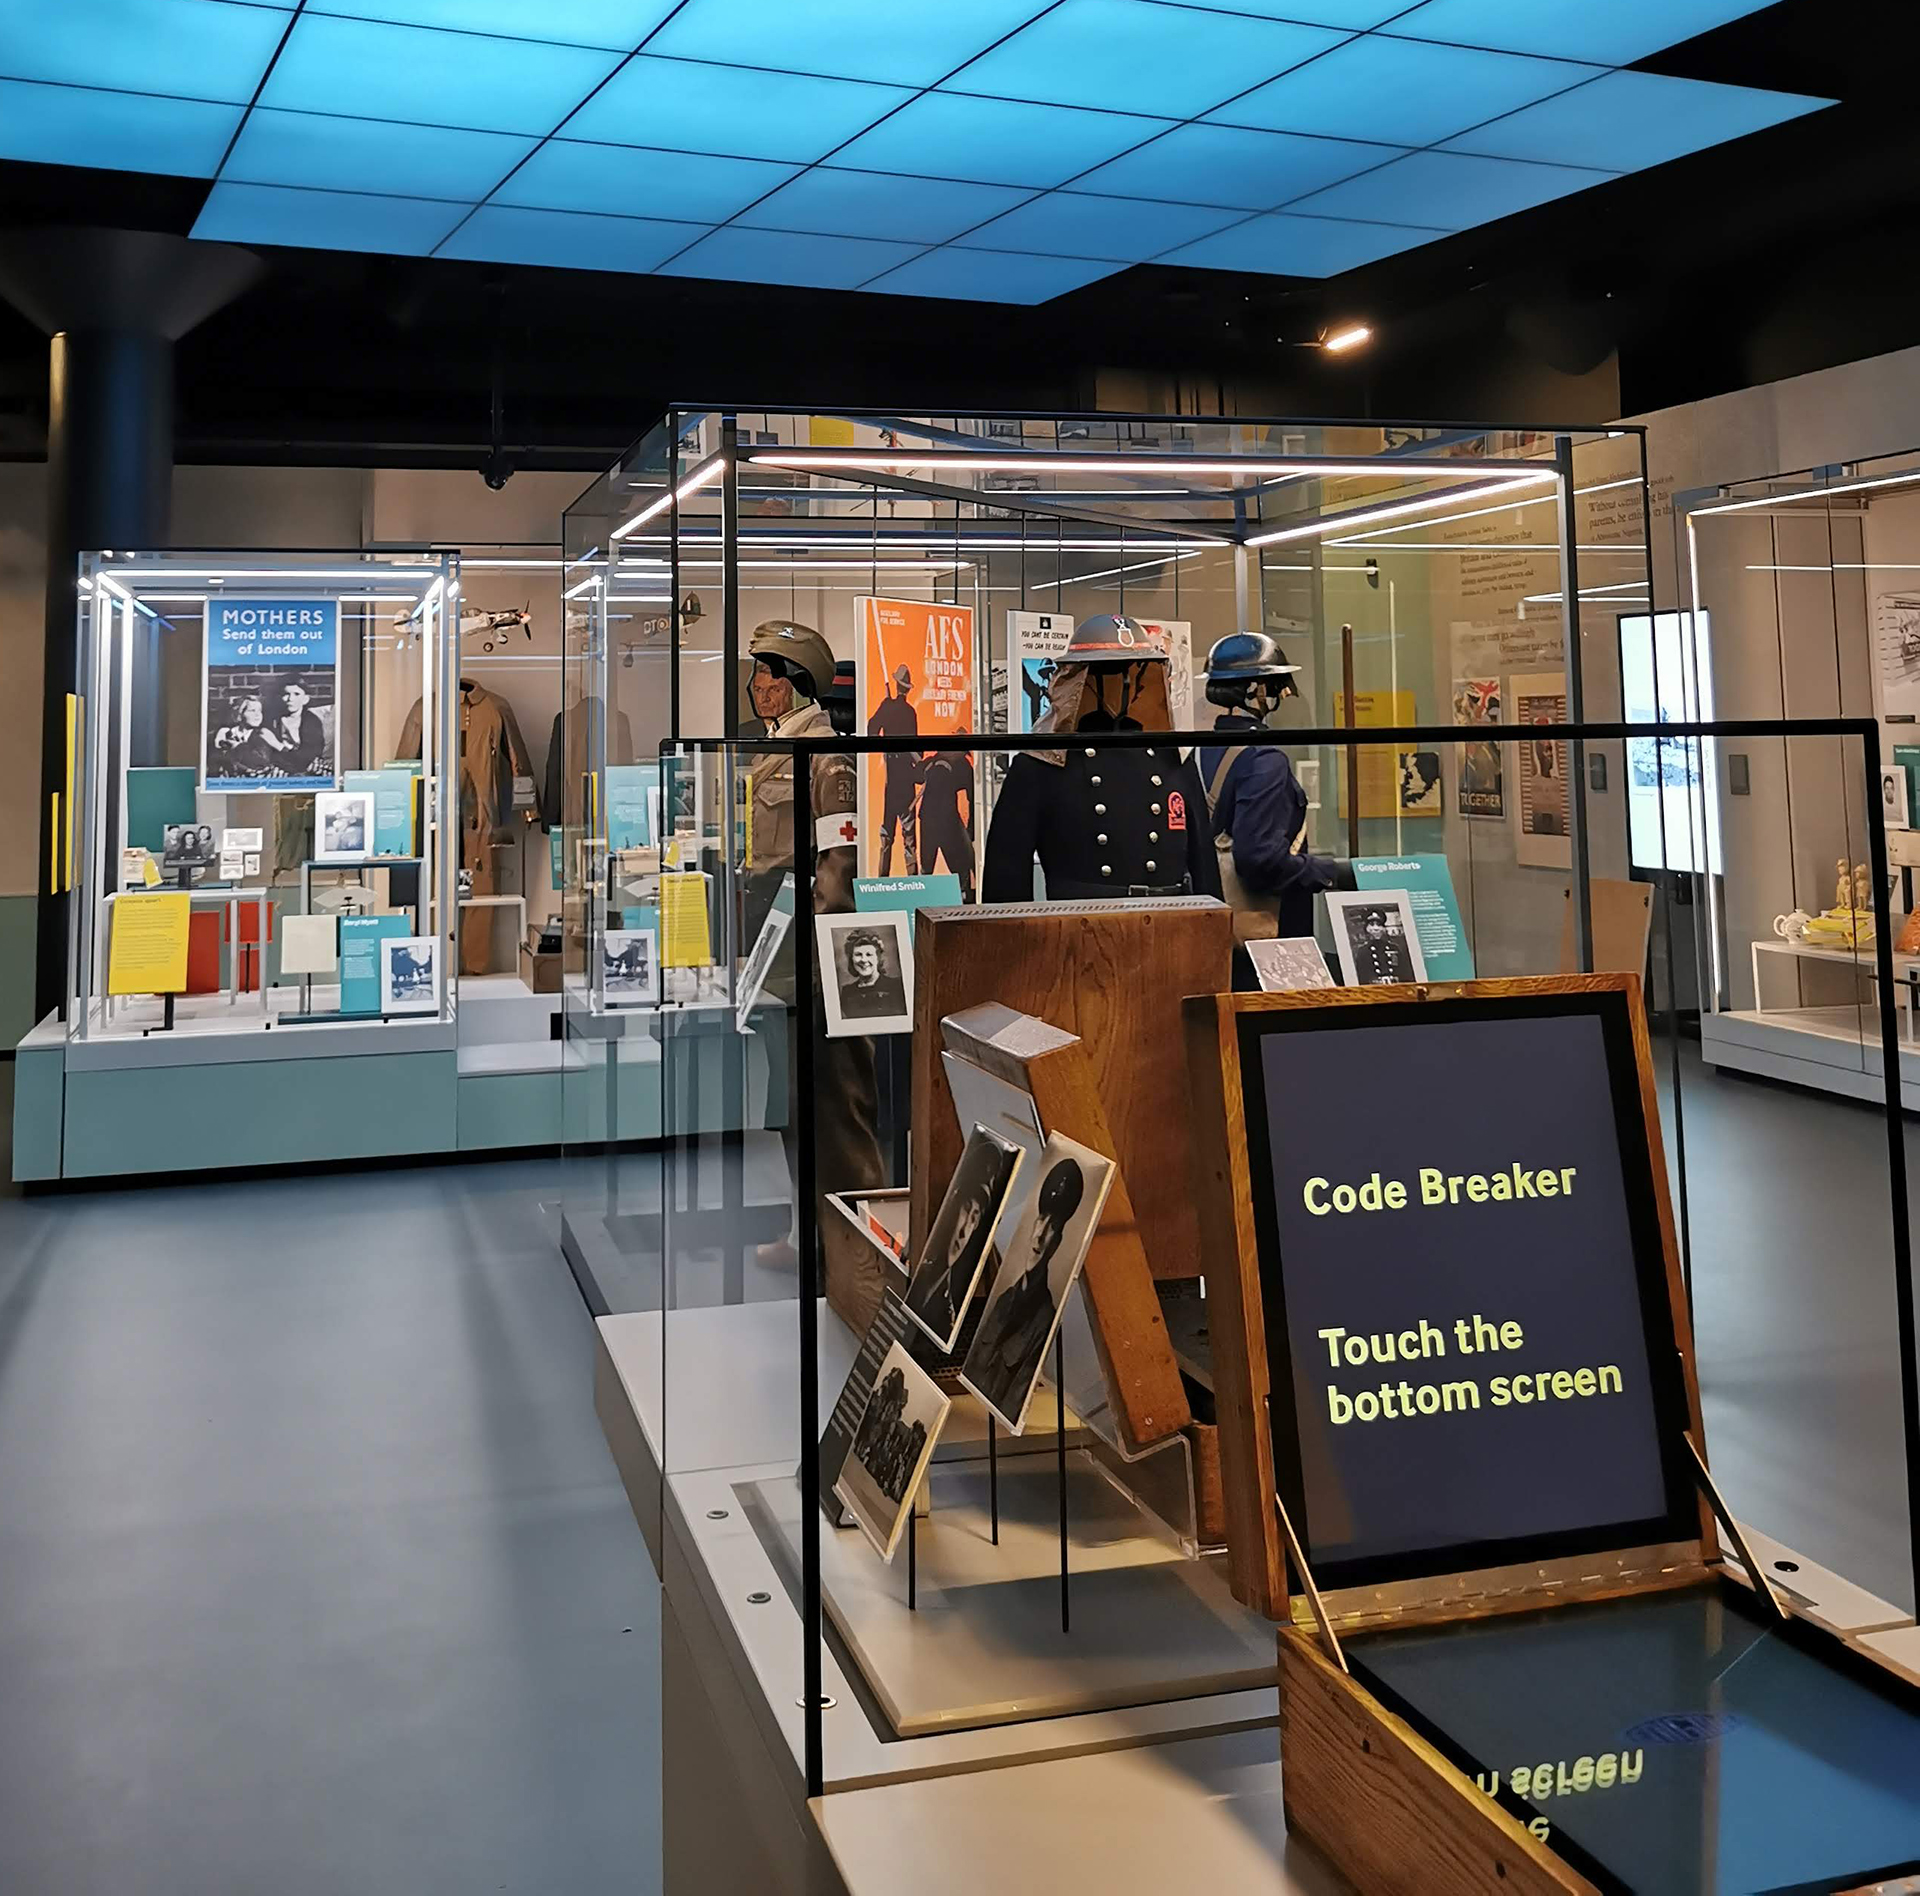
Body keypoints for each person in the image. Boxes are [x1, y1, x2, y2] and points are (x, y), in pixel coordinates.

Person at [740, 620, 889, 1331]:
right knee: (792, 1103)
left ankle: (858, 1262)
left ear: (799, 681)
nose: (757, 685)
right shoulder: (774, 749)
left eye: (769, 673)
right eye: (757, 672)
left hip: (814, 952)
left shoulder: (827, 759)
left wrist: (822, 952)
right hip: (777, 952)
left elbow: (840, 862)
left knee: (834, 1107)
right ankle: (808, 1238)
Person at [982, 616, 1221, 904]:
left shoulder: (1173, 759)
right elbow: (1006, 877)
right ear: (1081, 680)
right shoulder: (1041, 764)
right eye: (1107, 672)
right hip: (1081, 923)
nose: (1125, 682)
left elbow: (1204, 864)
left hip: (1169, 920)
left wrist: (1214, 922)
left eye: (1134, 671)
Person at [1195, 633, 1352, 962]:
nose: (1280, 694)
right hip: (1268, 936)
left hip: (1214, 929)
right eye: (1275, 686)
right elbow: (1259, 859)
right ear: (1255, 690)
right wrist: (1330, 872)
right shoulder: (1263, 759)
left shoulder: (1200, 751)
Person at [965, 1160, 1083, 1425]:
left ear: (1058, 1242)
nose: (1039, 1236)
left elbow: (1013, 1403)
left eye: (1052, 1227)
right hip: (978, 1419)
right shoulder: (1005, 1299)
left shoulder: (1044, 1320)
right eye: (1041, 1220)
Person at [868, 662, 920, 875]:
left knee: (887, 836)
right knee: (909, 837)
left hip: (893, 779)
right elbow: (917, 750)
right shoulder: (910, 712)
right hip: (906, 778)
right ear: (907, 689)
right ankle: (913, 880)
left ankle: (882, 879)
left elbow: (871, 730)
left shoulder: (888, 706)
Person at [916, 746, 976, 900]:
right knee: (958, 865)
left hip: (931, 818)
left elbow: (917, 775)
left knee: (928, 866)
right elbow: (972, 797)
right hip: (946, 820)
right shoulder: (961, 765)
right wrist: (971, 828)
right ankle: (963, 896)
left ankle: (924, 898)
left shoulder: (933, 762)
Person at [838, 927, 906, 1021]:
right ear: (851, 959)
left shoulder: (896, 986)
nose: (863, 960)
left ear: (878, 958)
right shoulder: (847, 992)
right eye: (858, 954)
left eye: (869, 954)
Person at [274, 680, 329, 778]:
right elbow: (270, 755)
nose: (290, 699)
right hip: (281, 770)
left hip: (306, 769)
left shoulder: (312, 721)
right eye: (286, 694)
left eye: (296, 694)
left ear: (305, 699)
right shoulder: (273, 720)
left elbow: (309, 755)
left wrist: (280, 747)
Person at [1352, 907, 1416, 984]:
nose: (1376, 928)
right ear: (1366, 928)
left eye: (1379, 925)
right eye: (1372, 925)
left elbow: (1404, 973)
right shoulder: (1362, 951)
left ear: (1383, 928)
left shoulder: (1394, 948)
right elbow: (1362, 977)